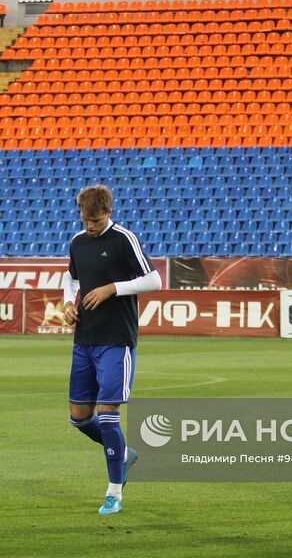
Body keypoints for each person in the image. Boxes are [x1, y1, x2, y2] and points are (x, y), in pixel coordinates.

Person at [63, 184, 162, 515]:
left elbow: (154, 281)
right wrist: (67, 303)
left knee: (108, 416)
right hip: (84, 339)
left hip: (117, 340)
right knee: (79, 419)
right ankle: (124, 453)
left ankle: (114, 492)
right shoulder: (78, 242)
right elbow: (72, 279)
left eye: (95, 219)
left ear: (108, 212)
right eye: (85, 219)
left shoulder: (123, 239)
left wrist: (112, 289)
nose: (89, 225)